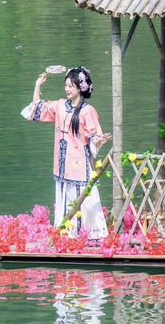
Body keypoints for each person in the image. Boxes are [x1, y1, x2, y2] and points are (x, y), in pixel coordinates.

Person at [21, 66, 111, 239]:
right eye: (66, 85)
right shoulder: (60, 106)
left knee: (82, 196)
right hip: (61, 163)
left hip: (79, 164)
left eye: (71, 86)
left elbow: (94, 136)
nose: (67, 89)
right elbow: (38, 108)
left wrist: (98, 141)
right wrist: (37, 85)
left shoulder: (87, 111)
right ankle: (65, 234)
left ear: (80, 87)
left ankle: (86, 234)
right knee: (64, 195)